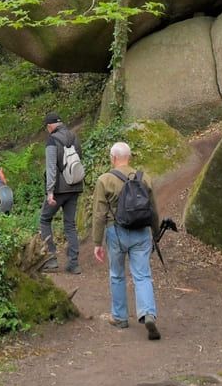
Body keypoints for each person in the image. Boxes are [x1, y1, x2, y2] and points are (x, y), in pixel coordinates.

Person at [90, 141, 160, 340]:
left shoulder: (105, 180)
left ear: (113, 158)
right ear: (129, 157)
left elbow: (99, 214)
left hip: (116, 233)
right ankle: (148, 314)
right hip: (141, 233)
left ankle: (120, 317)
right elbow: (153, 209)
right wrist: (155, 233)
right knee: (143, 276)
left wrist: (97, 242)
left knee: (117, 274)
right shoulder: (144, 178)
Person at [40, 112, 83, 274]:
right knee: (70, 224)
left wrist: (50, 191)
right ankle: (74, 263)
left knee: (45, 219)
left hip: (59, 189)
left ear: (50, 126)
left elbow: (51, 168)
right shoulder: (74, 136)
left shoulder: (52, 140)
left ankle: (51, 259)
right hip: (75, 185)